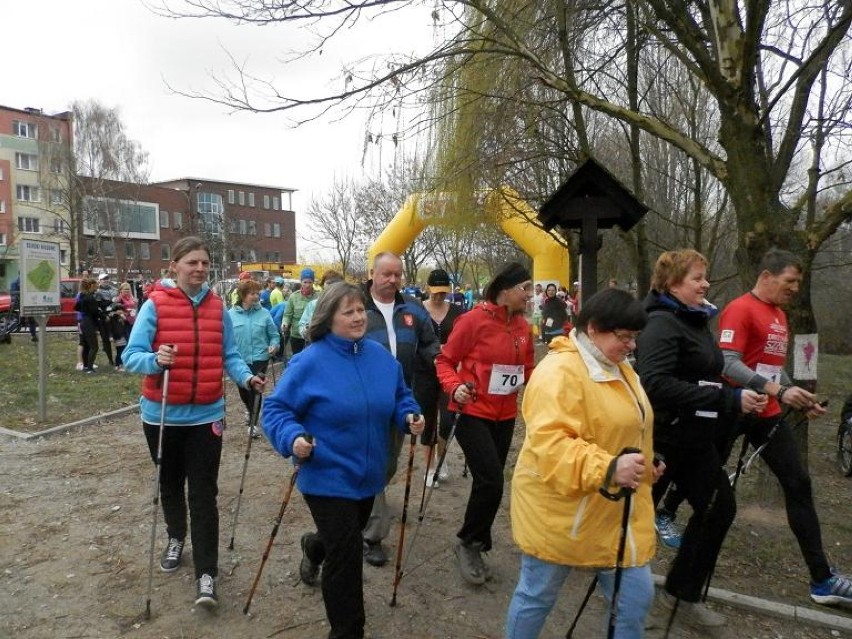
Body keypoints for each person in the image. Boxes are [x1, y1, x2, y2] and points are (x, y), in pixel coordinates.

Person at [262, 282, 425, 639]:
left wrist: (409, 414)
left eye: (359, 310)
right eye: (347, 311)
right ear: (328, 317)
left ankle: (313, 546)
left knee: (340, 538)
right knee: (347, 555)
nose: (357, 317)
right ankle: (348, 631)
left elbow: (400, 396)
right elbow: (275, 409)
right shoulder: (309, 361)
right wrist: (292, 438)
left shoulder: (381, 357)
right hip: (325, 474)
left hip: (368, 475)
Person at [505, 288, 658, 638]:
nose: (631, 345)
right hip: (560, 511)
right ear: (593, 328)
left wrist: (647, 462)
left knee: (633, 601)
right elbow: (552, 445)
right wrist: (608, 469)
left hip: (616, 511)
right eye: (624, 337)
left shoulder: (618, 367)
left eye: (634, 337)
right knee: (537, 595)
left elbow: (629, 425)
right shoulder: (558, 372)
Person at [123, 236, 265, 609]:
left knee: (204, 494)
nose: (199, 269)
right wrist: (156, 359)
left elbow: (230, 355)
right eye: (192, 263)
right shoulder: (155, 304)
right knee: (169, 484)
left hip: (206, 416)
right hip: (162, 415)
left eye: (204, 263)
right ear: (175, 266)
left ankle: (207, 572)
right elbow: (130, 356)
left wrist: (247, 378)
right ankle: (175, 535)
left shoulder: (219, 308)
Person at [636, 249, 767, 629]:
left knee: (718, 509)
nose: (705, 284)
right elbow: (654, 383)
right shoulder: (660, 323)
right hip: (661, 438)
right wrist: (725, 398)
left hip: (696, 438)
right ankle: (621, 590)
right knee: (635, 517)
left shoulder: (695, 320)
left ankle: (682, 592)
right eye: (697, 277)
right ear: (673, 283)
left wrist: (738, 399)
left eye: (704, 277)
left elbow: (709, 373)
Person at [718, 248, 852, 605]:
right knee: (698, 478)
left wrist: (798, 397)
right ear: (766, 275)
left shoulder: (778, 315)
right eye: (790, 281)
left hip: (766, 412)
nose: (795, 288)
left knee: (798, 483)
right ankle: (660, 518)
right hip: (733, 408)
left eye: (798, 282)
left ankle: (821, 580)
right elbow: (727, 363)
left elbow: (771, 365)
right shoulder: (740, 308)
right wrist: (777, 389)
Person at [435, 262, 535, 585]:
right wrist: (455, 386)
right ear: (505, 290)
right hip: (471, 410)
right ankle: (469, 542)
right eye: (525, 288)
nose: (530, 295)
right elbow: (444, 361)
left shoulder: (522, 327)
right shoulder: (473, 321)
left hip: (505, 415)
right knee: (492, 479)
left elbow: (529, 370)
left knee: (489, 481)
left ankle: (476, 539)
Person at [360, 252, 441, 567]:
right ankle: (372, 536)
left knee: (388, 465)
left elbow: (429, 343)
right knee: (375, 463)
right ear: (373, 274)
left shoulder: (412, 308)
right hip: (363, 401)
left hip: (400, 398)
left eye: (398, 275)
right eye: (386, 274)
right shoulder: (357, 306)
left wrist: (441, 364)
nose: (392, 280)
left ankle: (364, 502)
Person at [415, 268, 465, 487]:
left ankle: (441, 458)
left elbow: (464, 340)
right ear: (427, 288)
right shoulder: (417, 309)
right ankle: (429, 467)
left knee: (447, 419)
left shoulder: (457, 311)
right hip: (424, 372)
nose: (439, 296)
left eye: (443, 291)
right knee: (427, 419)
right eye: (435, 291)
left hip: (449, 374)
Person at [228, 278, 280, 438]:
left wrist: (274, 345)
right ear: (243, 295)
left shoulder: (264, 314)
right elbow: (227, 339)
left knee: (256, 390)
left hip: (260, 357)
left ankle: (253, 424)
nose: (256, 296)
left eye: (257, 293)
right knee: (244, 391)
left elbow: (274, 335)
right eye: (252, 293)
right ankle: (250, 410)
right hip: (239, 359)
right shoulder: (230, 315)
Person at [282, 268, 319, 356]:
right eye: (305, 282)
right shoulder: (293, 297)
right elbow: (287, 315)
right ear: (301, 282)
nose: (307, 285)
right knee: (297, 358)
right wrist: (285, 323)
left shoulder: (319, 296)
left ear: (313, 282)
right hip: (296, 336)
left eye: (310, 282)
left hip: (313, 336)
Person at [299, 270, 344, 339]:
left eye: (335, 283)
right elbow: (302, 329)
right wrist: (309, 327)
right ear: (323, 285)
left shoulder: (347, 305)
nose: (331, 286)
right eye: (328, 283)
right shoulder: (313, 305)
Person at [76, 278, 101, 373]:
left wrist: (85, 309)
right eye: (96, 286)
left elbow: (76, 307)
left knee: (85, 344)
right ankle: (90, 367)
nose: (97, 287)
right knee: (94, 346)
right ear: (91, 286)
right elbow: (95, 312)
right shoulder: (90, 298)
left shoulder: (82, 296)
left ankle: (86, 366)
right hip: (89, 323)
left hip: (83, 321)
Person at [95, 273, 118, 366]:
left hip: (114, 316)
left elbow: (118, 302)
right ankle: (110, 360)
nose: (106, 280)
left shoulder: (115, 290)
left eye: (107, 279)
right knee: (106, 339)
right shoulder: (97, 292)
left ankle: (119, 359)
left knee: (118, 337)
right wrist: (111, 301)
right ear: (100, 280)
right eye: (104, 279)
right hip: (104, 318)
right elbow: (99, 305)